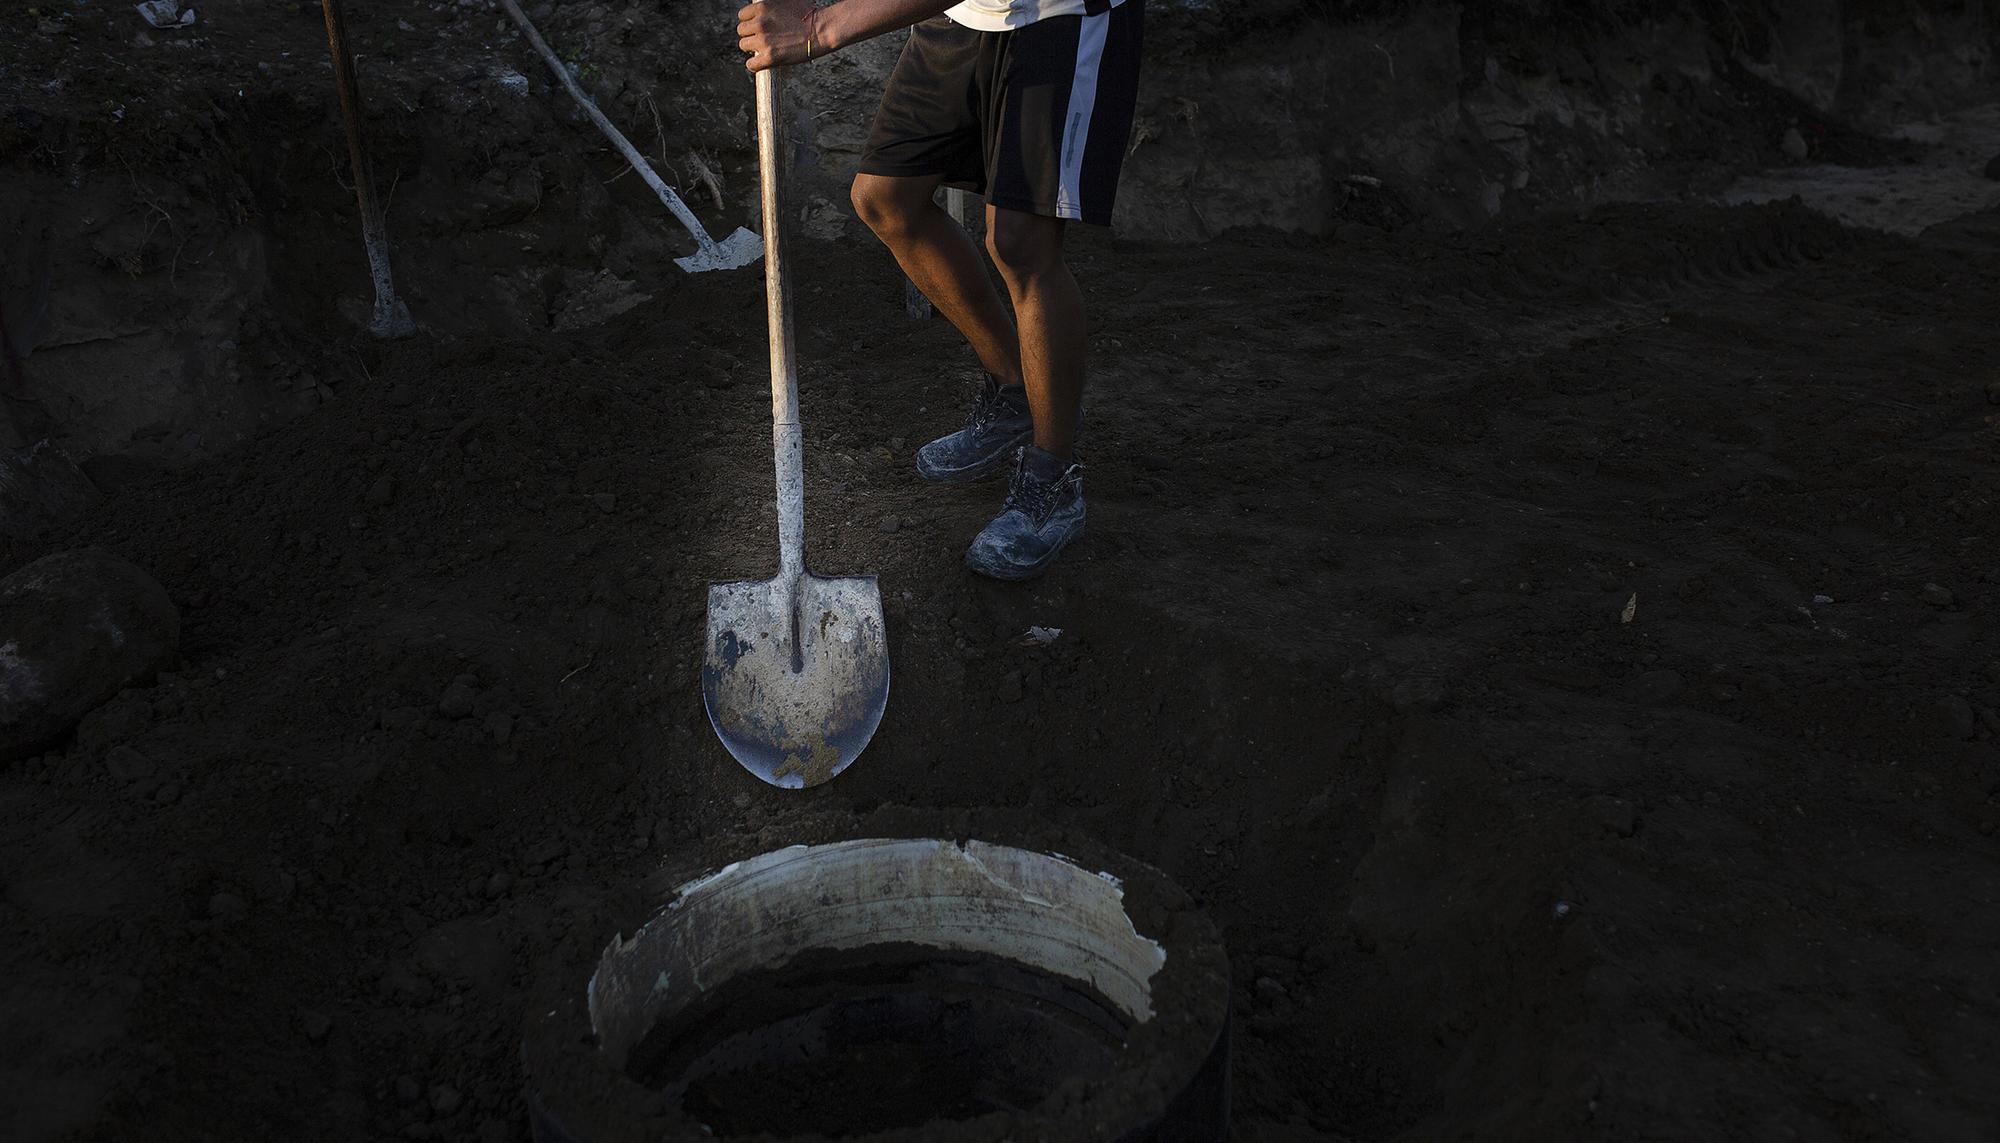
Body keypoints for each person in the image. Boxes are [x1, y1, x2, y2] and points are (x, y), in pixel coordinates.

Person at [736, 0, 1144, 580]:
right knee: (885, 199)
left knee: (1021, 245)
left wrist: (819, 27)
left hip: (1063, 15)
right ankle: (1015, 390)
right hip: (965, 14)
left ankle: (1052, 478)